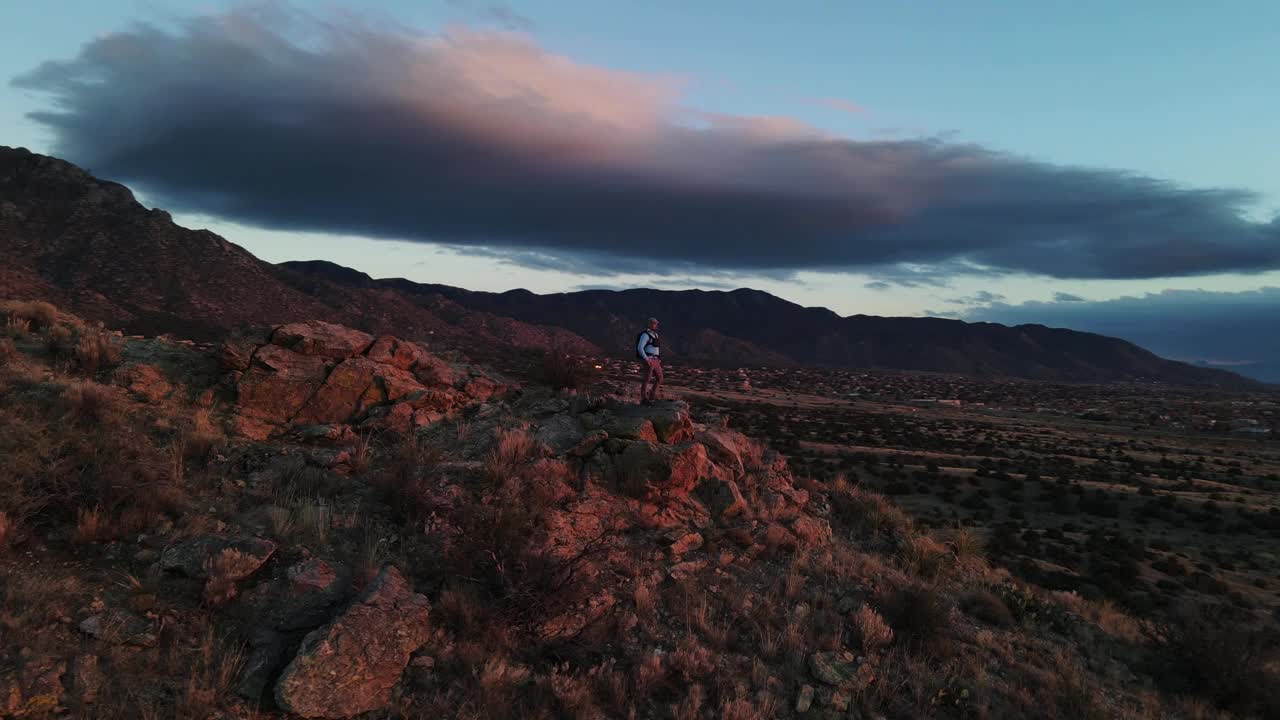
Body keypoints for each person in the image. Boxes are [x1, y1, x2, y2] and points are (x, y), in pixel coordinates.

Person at [636, 317, 662, 405]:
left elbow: (656, 348)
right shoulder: (645, 335)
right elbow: (640, 348)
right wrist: (646, 359)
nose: (656, 325)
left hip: (656, 360)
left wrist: (659, 358)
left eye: (656, 323)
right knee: (646, 379)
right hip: (649, 359)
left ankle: (652, 395)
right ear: (649, 324)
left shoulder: (656, 335)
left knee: (660, 378)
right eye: (654, 323)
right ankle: (644, 398)